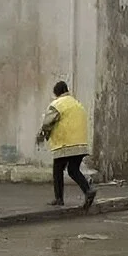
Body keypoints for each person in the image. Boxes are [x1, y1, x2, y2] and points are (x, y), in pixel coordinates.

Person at [36, 81, 97, 209]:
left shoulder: (57, 104)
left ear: (56, 93)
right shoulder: (77, 104)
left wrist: (41, 136)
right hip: (80, 144)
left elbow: (48, 122)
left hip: (64, 145)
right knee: (73, 170)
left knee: (57, 171)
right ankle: (88, 190)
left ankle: (59, 199)